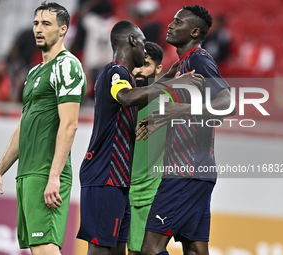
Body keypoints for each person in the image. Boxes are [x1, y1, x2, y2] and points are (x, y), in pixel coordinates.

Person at [76, 20, 205, 255]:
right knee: (99, 250)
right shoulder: (115, 71)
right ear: (132, 41)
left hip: (119, 180)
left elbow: (141, 94)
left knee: (117, 251)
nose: (145, 50)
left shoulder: (126, 77)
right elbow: (126, 97)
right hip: (105, 175)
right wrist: (173, 84)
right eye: (143, 44)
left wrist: (166, 78)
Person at [0, 2, 87, 255]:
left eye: (46, 24)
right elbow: (24, 126)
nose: (38, 29)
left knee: (46, 249)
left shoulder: (67, 66)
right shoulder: (34, 72)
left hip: (46, 173)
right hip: (27, 173)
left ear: (63, 30)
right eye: (36, 23)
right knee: (37, 250)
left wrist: (54, 176)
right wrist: (0, 170)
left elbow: (70, 124)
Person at [136, 5, 235, 255]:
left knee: (149, 248)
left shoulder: (198, 59)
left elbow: (227, 103)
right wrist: (167, 118)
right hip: (199, 170)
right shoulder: (182, 65)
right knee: (195, 248)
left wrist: (178, 111)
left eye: (178, 22)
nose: (170, 25)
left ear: (193, 32)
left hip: (185, 171)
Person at [128, 41, 165, 255]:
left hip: (151, 192)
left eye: (146, 65)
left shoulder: (167, 101)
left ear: (159, 69)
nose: (139, 70)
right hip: (121, 188)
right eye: (137, 65)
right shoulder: (123, 98)